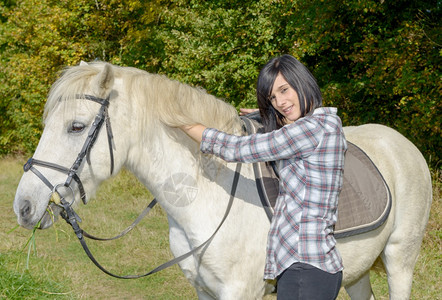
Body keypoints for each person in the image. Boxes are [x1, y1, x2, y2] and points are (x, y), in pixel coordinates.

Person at [181, 54, 346, 299]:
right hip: (313, 265)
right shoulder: (325, 123)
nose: (280, 101)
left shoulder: (310, 130)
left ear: (302, 82)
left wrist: (185, 124)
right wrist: (265, 114)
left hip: (305, 267)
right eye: (273, 98)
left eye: (285, 90)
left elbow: (237, 149)